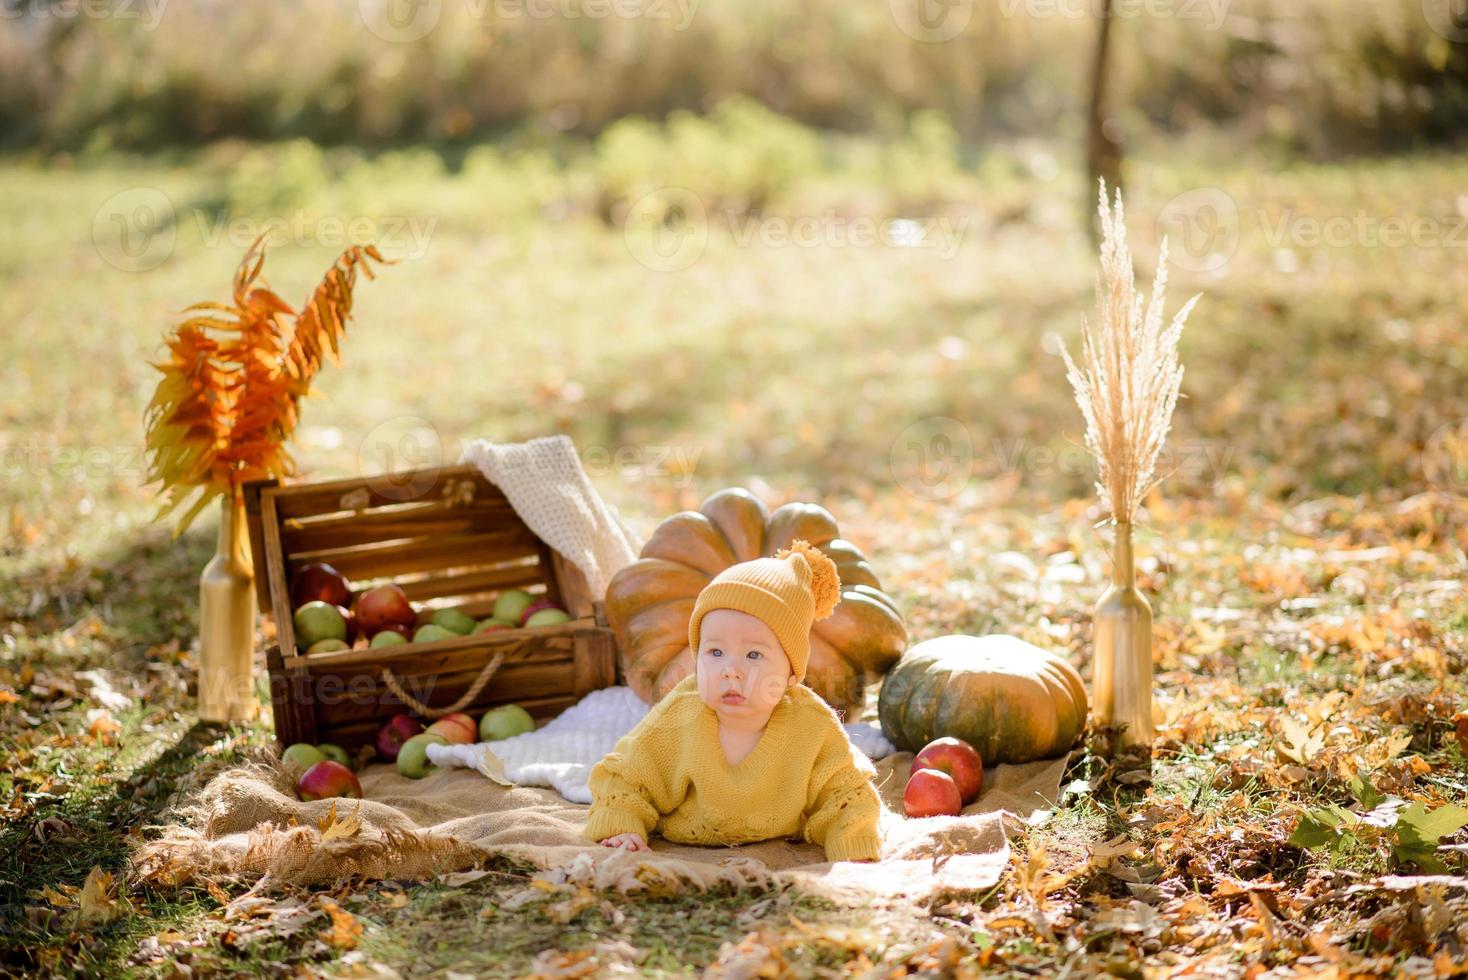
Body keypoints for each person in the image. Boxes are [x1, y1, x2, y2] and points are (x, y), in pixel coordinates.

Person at [583, 539, 882, 863]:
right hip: (687, 835)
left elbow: (846, 793)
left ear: (791, 672)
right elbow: (628, 775)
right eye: (715, 652)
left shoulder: (811, 725)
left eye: (754, 654)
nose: (731, 671)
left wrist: (853, 844)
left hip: (781, 833)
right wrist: (622, 824)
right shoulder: (681, 714)